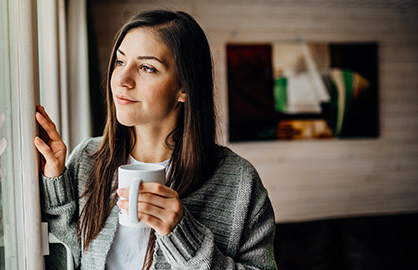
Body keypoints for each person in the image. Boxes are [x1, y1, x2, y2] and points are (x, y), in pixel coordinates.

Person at [35, 9, 277, 270]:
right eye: (119, 62)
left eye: (147, 68)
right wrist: (54, 178)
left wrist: (182, 234)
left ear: (184, 87)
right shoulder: (87, 158)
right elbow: (70, 254)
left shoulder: (238, 181)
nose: (122, 80)